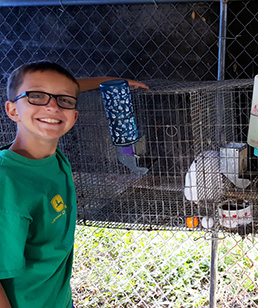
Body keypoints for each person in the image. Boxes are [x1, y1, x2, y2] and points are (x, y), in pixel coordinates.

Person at [0, 61, 148, 308]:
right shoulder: (8, 184)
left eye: (64, 101)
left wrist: (108, 81)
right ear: (12, 110)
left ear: (74, 116)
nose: (52, 106)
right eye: (37, 97)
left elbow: (61, 90)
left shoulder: (53, 159)